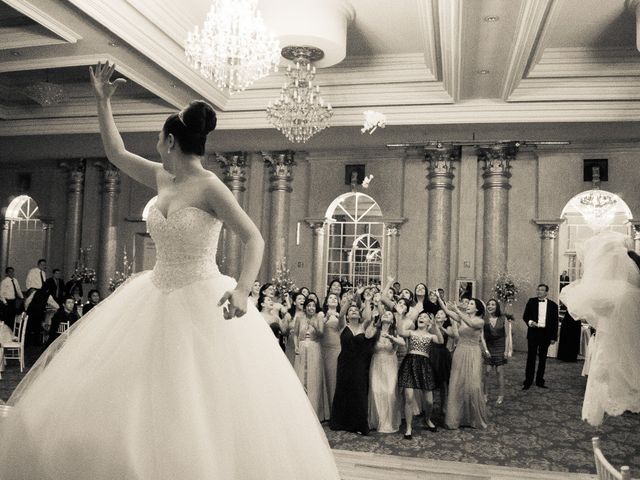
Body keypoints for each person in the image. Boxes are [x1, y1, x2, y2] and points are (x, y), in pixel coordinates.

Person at [0, 61, 340, 480]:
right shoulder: (162, 178)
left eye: (160, 138)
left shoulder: (211, 187)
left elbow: (255, 238)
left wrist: (242, 290)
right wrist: (102, 101)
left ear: (171, 141)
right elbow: (115, 153)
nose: (157, 144)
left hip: (200, 295)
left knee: (194, 396)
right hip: (153, 292)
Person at [560, 231, 640, 426]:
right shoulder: (626, 291)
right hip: (622, 336)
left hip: (616, 338)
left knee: (609, 365)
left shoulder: (614, 292)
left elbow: (586, 305)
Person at [438, 294, 488, 430]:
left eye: (471, 304)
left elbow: (471, 323)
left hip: (473, 352)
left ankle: (474, 418)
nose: (468, 305)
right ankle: (456, 418)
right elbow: (448, 312)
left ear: (477, 309)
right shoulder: (462, 317)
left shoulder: (480, 321)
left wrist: (458, 310)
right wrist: (439, 299)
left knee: (474, 385)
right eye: (469, 303)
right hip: (460, 351)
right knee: (457, 384)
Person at [330, 305, 376, 435]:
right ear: (348, 316)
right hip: (345, 362)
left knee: (359, 391)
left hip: (360, 363)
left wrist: (367, 300)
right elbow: (341, 314)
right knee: (343, 390)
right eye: (351, 310)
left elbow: (368, 316)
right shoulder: (343, 325)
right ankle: (341, 422)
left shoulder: (363, 326)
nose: (354, 311)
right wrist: (348, 301)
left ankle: (360, 424)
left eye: (356, 310)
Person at [522, 284, 559, 390]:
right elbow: (525, 316)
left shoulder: (553, 305)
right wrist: (530, 322)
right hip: (533, 332)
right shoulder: (531, 301)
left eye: (542, 290)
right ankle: (528, 381)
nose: (539, 292)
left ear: (546, 292)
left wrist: (553, 337)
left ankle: (540, 381)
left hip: (546, 334)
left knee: (543, 358)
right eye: (538, 289)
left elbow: (555, 323)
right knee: (531, 358)